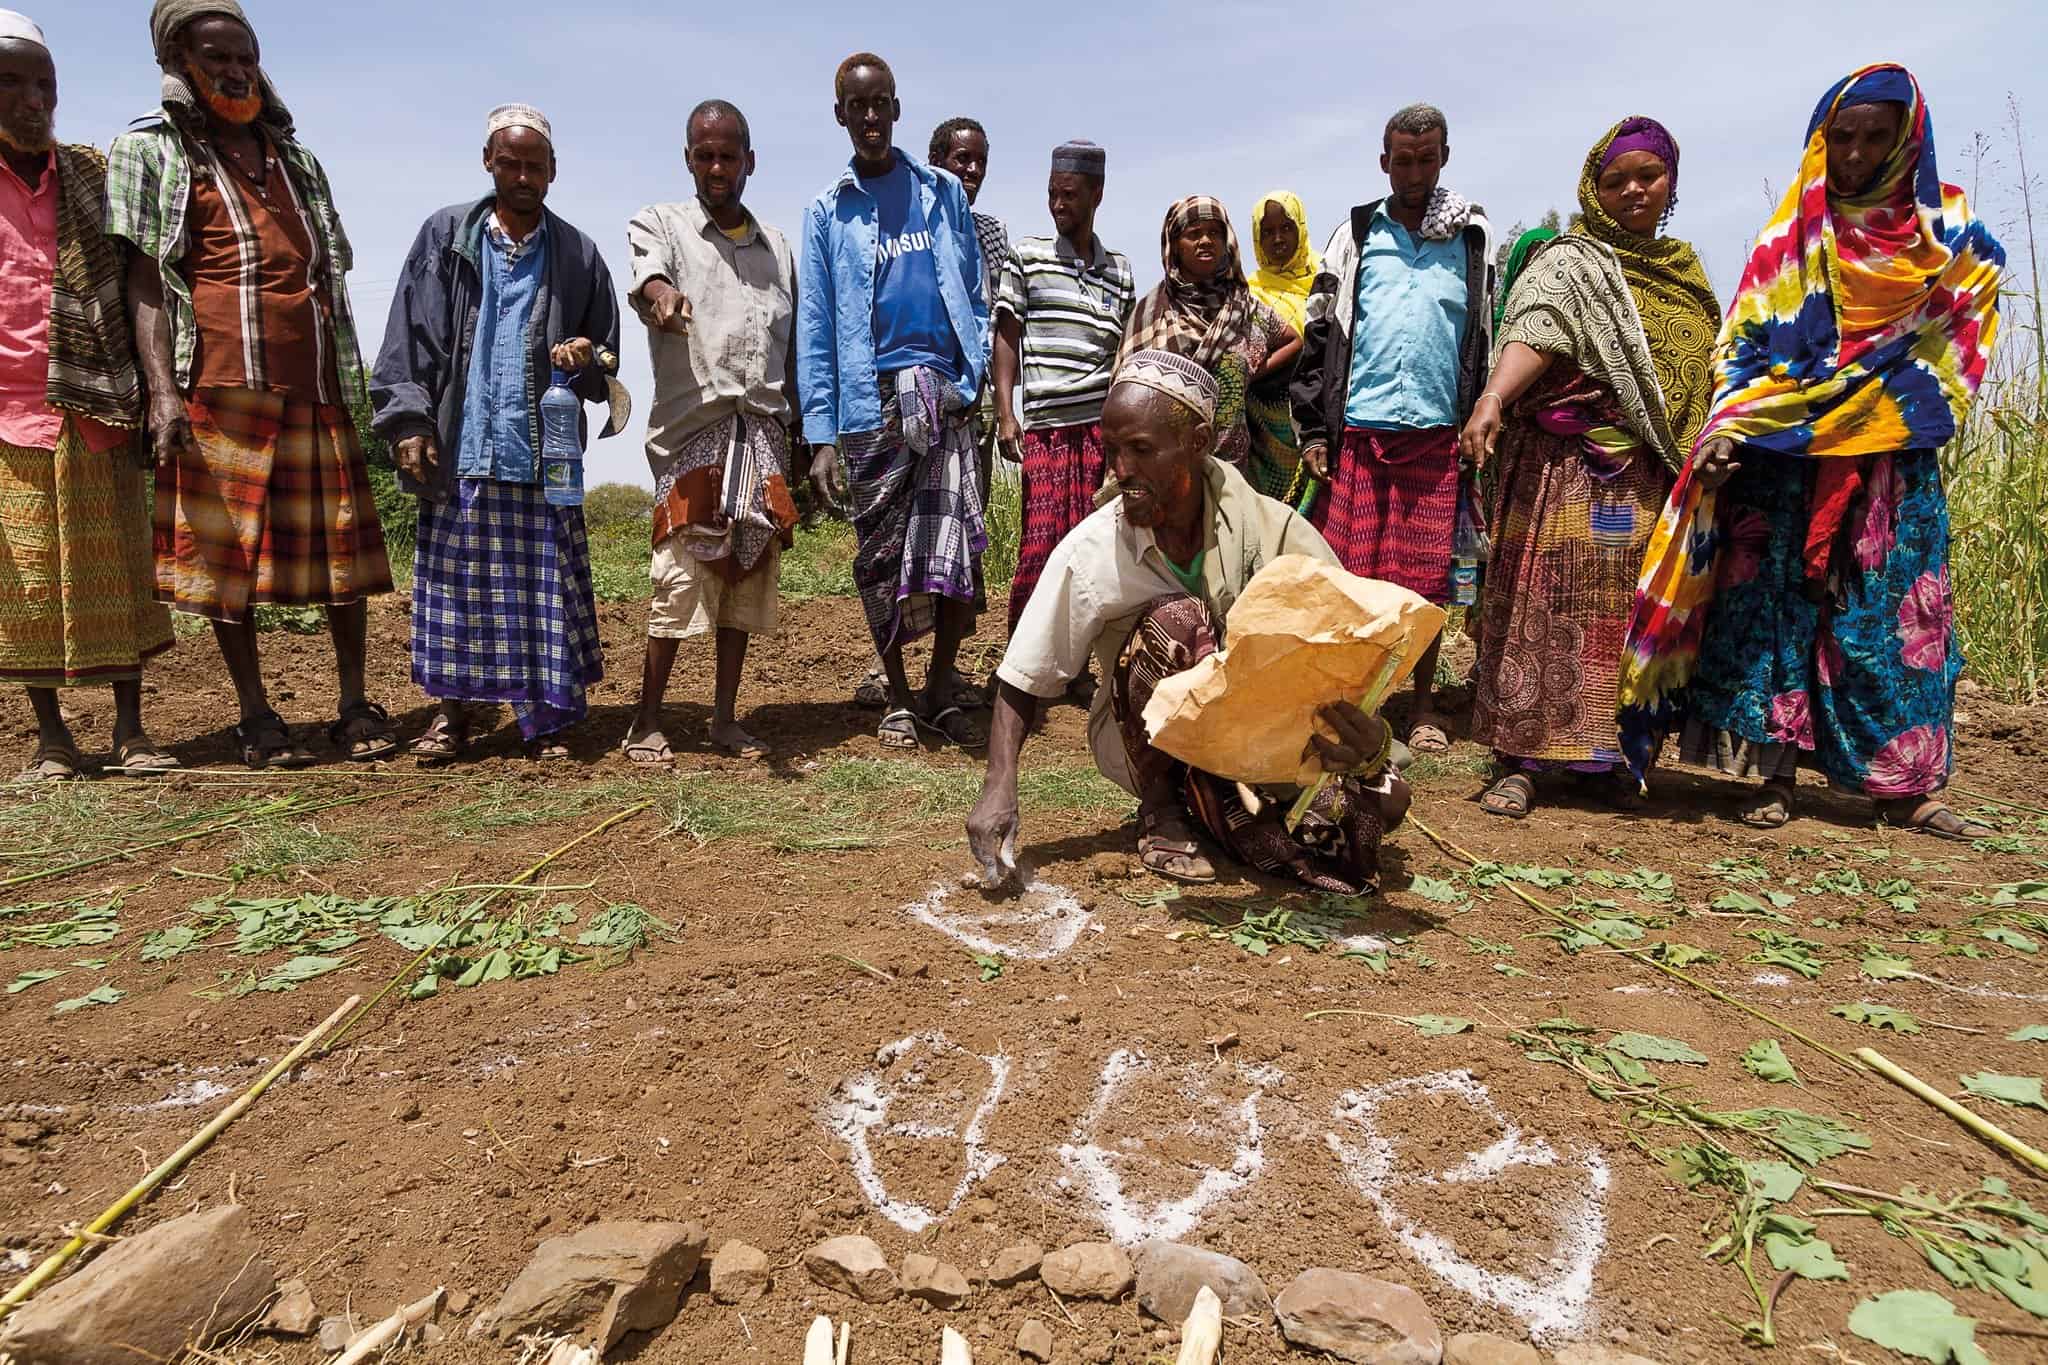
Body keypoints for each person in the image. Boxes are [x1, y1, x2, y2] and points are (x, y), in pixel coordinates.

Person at [1619, 65, 2004, 841]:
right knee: (1775, 620)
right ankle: (1774, 774)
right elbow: (1745, 344)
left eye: (1875, 138)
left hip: (1891, 458)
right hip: (1784, 460)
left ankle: (1904, 789)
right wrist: (1735, 424)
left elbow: (1956, 344)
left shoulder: (1951, 235)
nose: (1856, 154)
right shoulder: (1793, 234)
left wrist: (1860, 403)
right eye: (1843, 138)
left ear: (1908, 141)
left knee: (1888, 619)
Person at [967, 349, 1409, 892]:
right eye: (1112, 450)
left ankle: (1229, 808)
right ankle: (1162, 810)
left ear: (1198, 444)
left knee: (1379, 811)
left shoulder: (1276, 534)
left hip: (1254, 739)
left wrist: (1368, 746)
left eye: (1141, 450)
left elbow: (1349, 651)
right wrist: (999, 785)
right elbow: (1025, 671)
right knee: (1179, 620)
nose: (1120, 470)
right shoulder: (1094, 549)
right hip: (1149, 745)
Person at [108, 0, 396, 769]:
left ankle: (353, 702)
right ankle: (256, 715)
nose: (236, 71)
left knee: (340, 555)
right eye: (217, 57)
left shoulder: (294, 158)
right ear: (179, 65)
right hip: (219, 382)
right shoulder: (151, 152)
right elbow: (142, 277)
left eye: (246, 55)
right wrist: (161, 391)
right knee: (223, 563)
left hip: (314, 380)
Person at [1458, 118, 1720, 819]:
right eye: (1614, 180)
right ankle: (1522, 761)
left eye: (1647, 177)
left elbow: (1700, 382)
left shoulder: (1686, 279)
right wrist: (1493, 398)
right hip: (1561, 472)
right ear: (1592, 189)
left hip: (1644, 481)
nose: (1632, 190)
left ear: (1671, 184)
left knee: (1620, 617)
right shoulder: (1570, 263)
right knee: (1544, 608)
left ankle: (1610, 759)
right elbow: (1535, 329)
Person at [371, 104, 625, 762]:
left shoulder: (577, 253)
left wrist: (583, 356)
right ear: (488, 161)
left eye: (534, 166)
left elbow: (607, 356)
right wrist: (408, 420)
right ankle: (453, 716)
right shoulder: (445, 237)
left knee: (542, 596)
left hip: (541, 454)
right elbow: (409, 338)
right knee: (456, 594)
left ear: (553, 172)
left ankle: (547, 722)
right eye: (509, 162)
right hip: (464, 447)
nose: (522, 175)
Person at [0, 11, 175, 781]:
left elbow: (144, 281)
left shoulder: (90, 174)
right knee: (27, 584)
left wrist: (159, 392)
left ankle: (132, 731)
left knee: (123, 574)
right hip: (8, 416)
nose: (35, 99)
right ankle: (51, 737)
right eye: (12, 82)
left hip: (98, 400)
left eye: (46, 83)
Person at [799, 52, 991, 750]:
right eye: (859, 106)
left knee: (953, 550)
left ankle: (941, 688)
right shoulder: (826, 211)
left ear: (897, 109)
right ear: (841, 115)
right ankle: (899, 697)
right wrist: (821, 432)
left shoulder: (942, 192)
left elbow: (972, 291)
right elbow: (816, 326)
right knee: (878, 555)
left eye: (881, 103)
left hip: (944, 391)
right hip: (868, 398)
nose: (871, 117)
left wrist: (969, 380)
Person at [1293, 103, 1494, 757]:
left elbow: (1483, 334)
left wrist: (1479, 417)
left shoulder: (1470, 236)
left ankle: (1425, 707)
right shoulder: (1354, 233)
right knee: (1352, 574)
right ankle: (1353, 701)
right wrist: (1316, 430)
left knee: (1428, 578)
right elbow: (1320, 330)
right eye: (1402, 159)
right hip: (1360, 430)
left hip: (1436, 435)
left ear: (1444, 156)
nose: (1414, 171)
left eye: (1426, 157)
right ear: (1384, 162)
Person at [618, 99, 797, 765]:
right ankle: (646, 718)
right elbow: (650, 280)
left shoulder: (776, 246)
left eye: (729, 155)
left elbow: (792, 346)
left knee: (745, 574)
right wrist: (664, 299)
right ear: (688, 158)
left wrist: (803, 438)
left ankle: (725, 718)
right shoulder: (660, 223)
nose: (717, 166)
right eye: (704, 154)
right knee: (681, 574)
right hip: (694, 434)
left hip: (763, 434)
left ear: (750, 161)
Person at [853, 114, 1008, 711]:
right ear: (935, 159)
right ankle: (886, 668)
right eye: (959, 159)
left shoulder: (988, 233)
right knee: (891, 537)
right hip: (896, 397)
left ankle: (945, 677)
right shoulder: (909, 217)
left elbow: (990, 318)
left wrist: (983, 396)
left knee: (955, 537)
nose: (969, 171)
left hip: (962, 402)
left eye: (978, 162)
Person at [993, 140, 1136, 658]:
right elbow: (1007, 336)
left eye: (1070, 195)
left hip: (1099, 433)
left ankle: (1074, 665)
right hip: (1048, 430)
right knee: (1040, 549)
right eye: (1052, 194)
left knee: (1092, 553)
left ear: (1097, 194)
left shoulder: (1119, 271)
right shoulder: (1027, 256)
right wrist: (1007, 415)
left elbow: (1124, 356)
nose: (1058, 205)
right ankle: (1025, 662)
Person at [1117, 196, 1297, 471]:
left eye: (1214, 232)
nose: (1205, 241)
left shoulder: (1242, 305)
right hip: (1170, 468)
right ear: (1175, 245)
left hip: (1234, 471)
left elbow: (1293, 339)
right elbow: (1126, 390)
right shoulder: (1151, 313)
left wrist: (1249, 372)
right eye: (1194, 234)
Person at [1244, 190, 1318, 503]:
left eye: (1286, 228)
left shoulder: (1324, 279)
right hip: (1267, 430)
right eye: (1268, 232)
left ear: (1300, 228)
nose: (1277, 239)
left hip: (1316, 419)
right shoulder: (1249, 292)